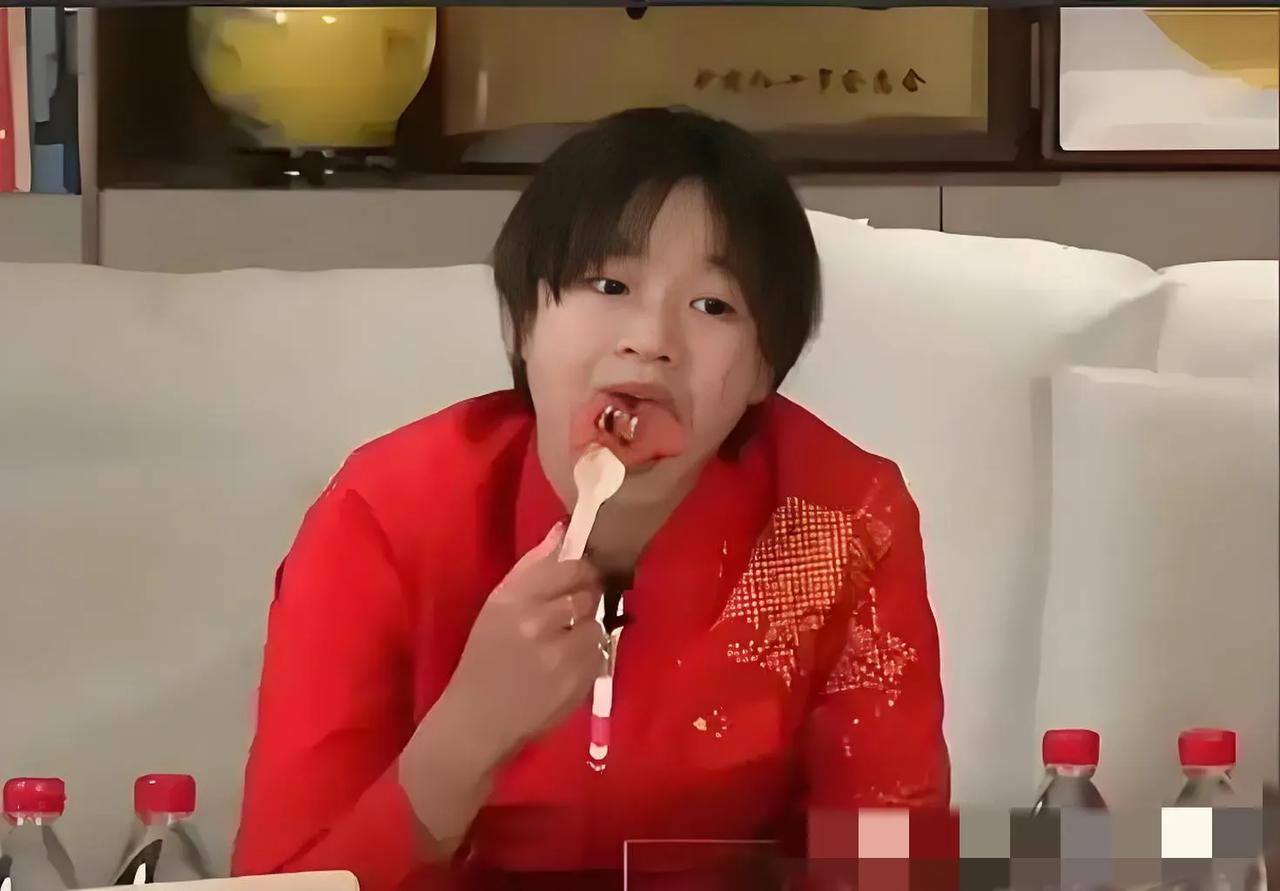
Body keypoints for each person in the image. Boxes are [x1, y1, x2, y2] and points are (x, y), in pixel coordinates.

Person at [232, 108, 949, 891]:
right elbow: (280, 882)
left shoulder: (840, 519)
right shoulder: (385, 513)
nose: (651, 339)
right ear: (522, 323)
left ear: (761, 372)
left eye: (713, 305)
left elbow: (890, 862)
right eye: (609, 285)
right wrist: (467, 734)